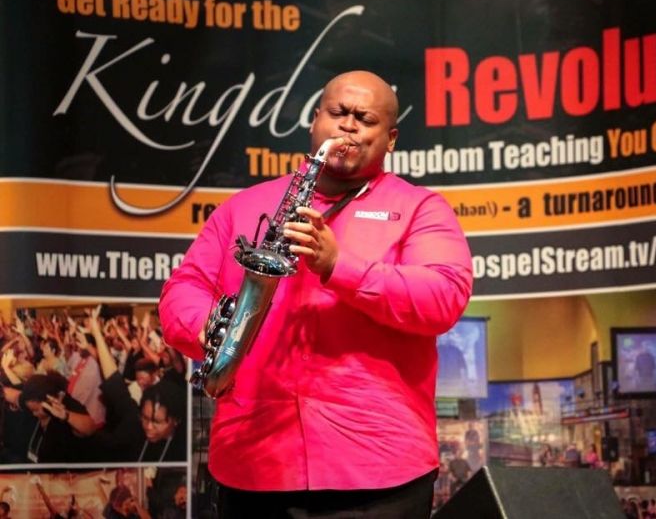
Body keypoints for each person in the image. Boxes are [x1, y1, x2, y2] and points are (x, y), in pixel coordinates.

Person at [159, 70, 473, 517]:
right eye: (337, 112)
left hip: (377, 468)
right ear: (314, 121)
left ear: (391, 139)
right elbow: (184, 287)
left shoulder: (420, 208)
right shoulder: (243, 206)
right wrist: (211, 328)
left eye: (365, 118)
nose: (348, 125)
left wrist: (338, 265)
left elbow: (442, 297)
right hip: (254, 461)